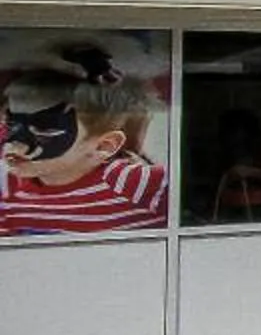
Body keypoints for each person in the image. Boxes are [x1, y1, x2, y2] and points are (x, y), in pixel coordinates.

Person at [0, 39, 170, 235]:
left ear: (104, 146)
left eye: (45, 132)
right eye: (11, 125)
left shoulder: (135, 183)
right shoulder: (8, 186)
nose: (15, 146)